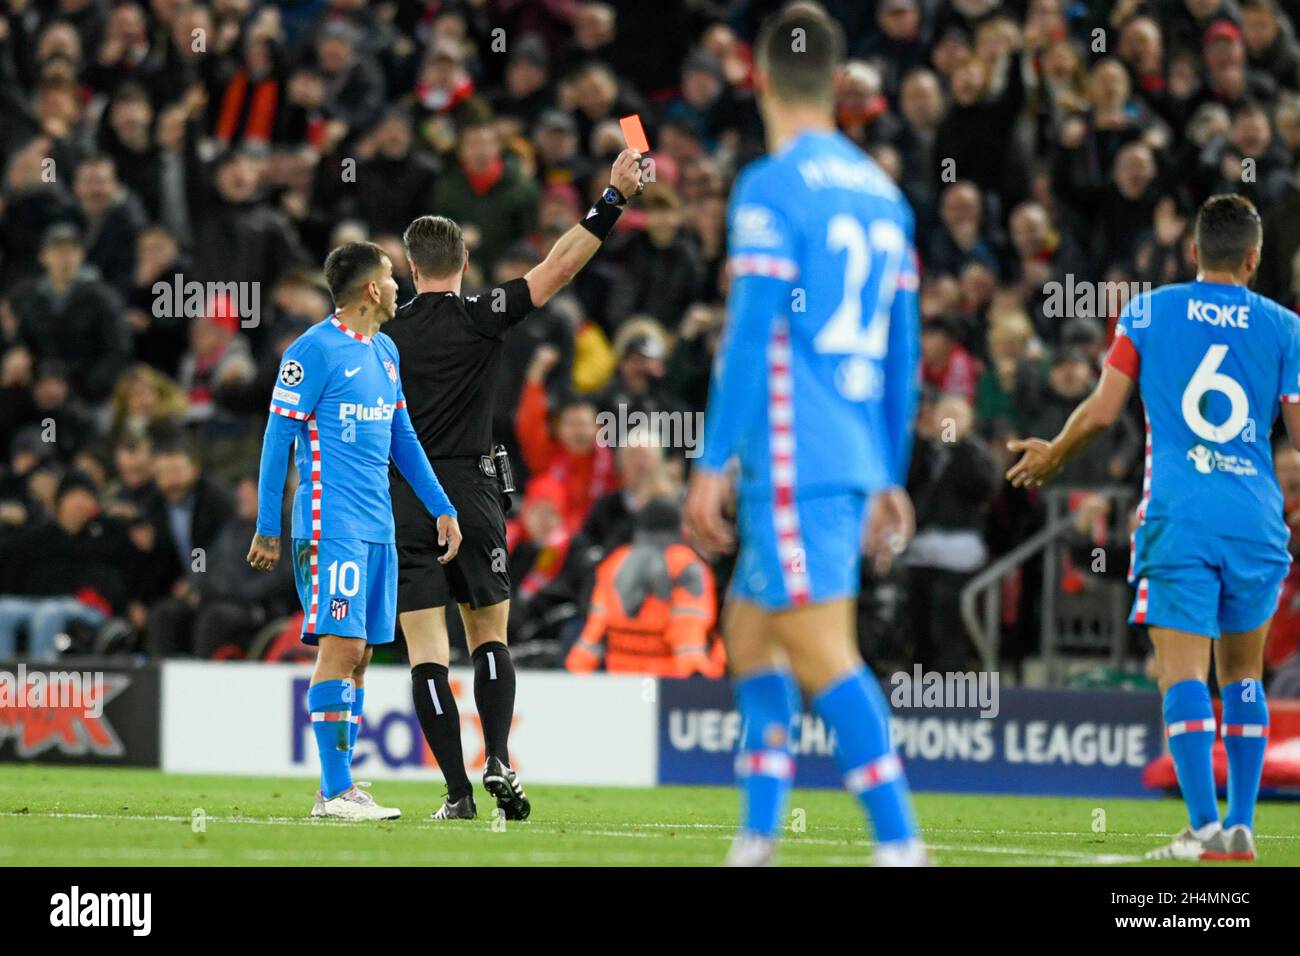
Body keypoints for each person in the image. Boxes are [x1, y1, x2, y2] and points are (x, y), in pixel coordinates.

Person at [684, 3, 926, 868]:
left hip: (792, 455)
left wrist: (711, 462)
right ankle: (757, 837)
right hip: (848, 451)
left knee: (822, 650)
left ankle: (901, 844)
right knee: (749, 635)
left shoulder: (771, 185)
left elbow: (749, 335)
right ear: (836, 82)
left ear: (757, 78)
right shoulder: (886, 195)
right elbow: (905, 354)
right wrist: (889, 469)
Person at [1007, 194, 1300, 862]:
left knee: (1183, 678)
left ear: (1194, 250)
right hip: (1256, 519)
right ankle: (1242, 825)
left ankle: (1202, 829)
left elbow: (1105, 411)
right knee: (1245, 676)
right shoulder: (1286, 328)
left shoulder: (1146, 310)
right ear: (1254, 259)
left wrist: (1054, 452)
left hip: (1180, 516)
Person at [385, 146, 644, 821]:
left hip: (408, 496)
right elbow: (559, 266)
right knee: (489, 637)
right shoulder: (482, 314)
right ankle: (497, 754)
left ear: (413, 269)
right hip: (471, 493)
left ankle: (456, 794)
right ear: (464, 265)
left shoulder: (384, 335)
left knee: (426, 655)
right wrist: (611, 198)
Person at [247, 242, 462, 821]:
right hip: (329, 523)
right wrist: (269, 525)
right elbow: (277, 439)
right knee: (342, 648)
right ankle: (336, 791)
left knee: (363, 654)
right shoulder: (312, 351)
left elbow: (404, 440)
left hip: (378, 528)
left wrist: (442, 507)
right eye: (392, 276)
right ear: (371, 290)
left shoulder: (385, 352)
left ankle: (338, 788)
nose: (398, 285)